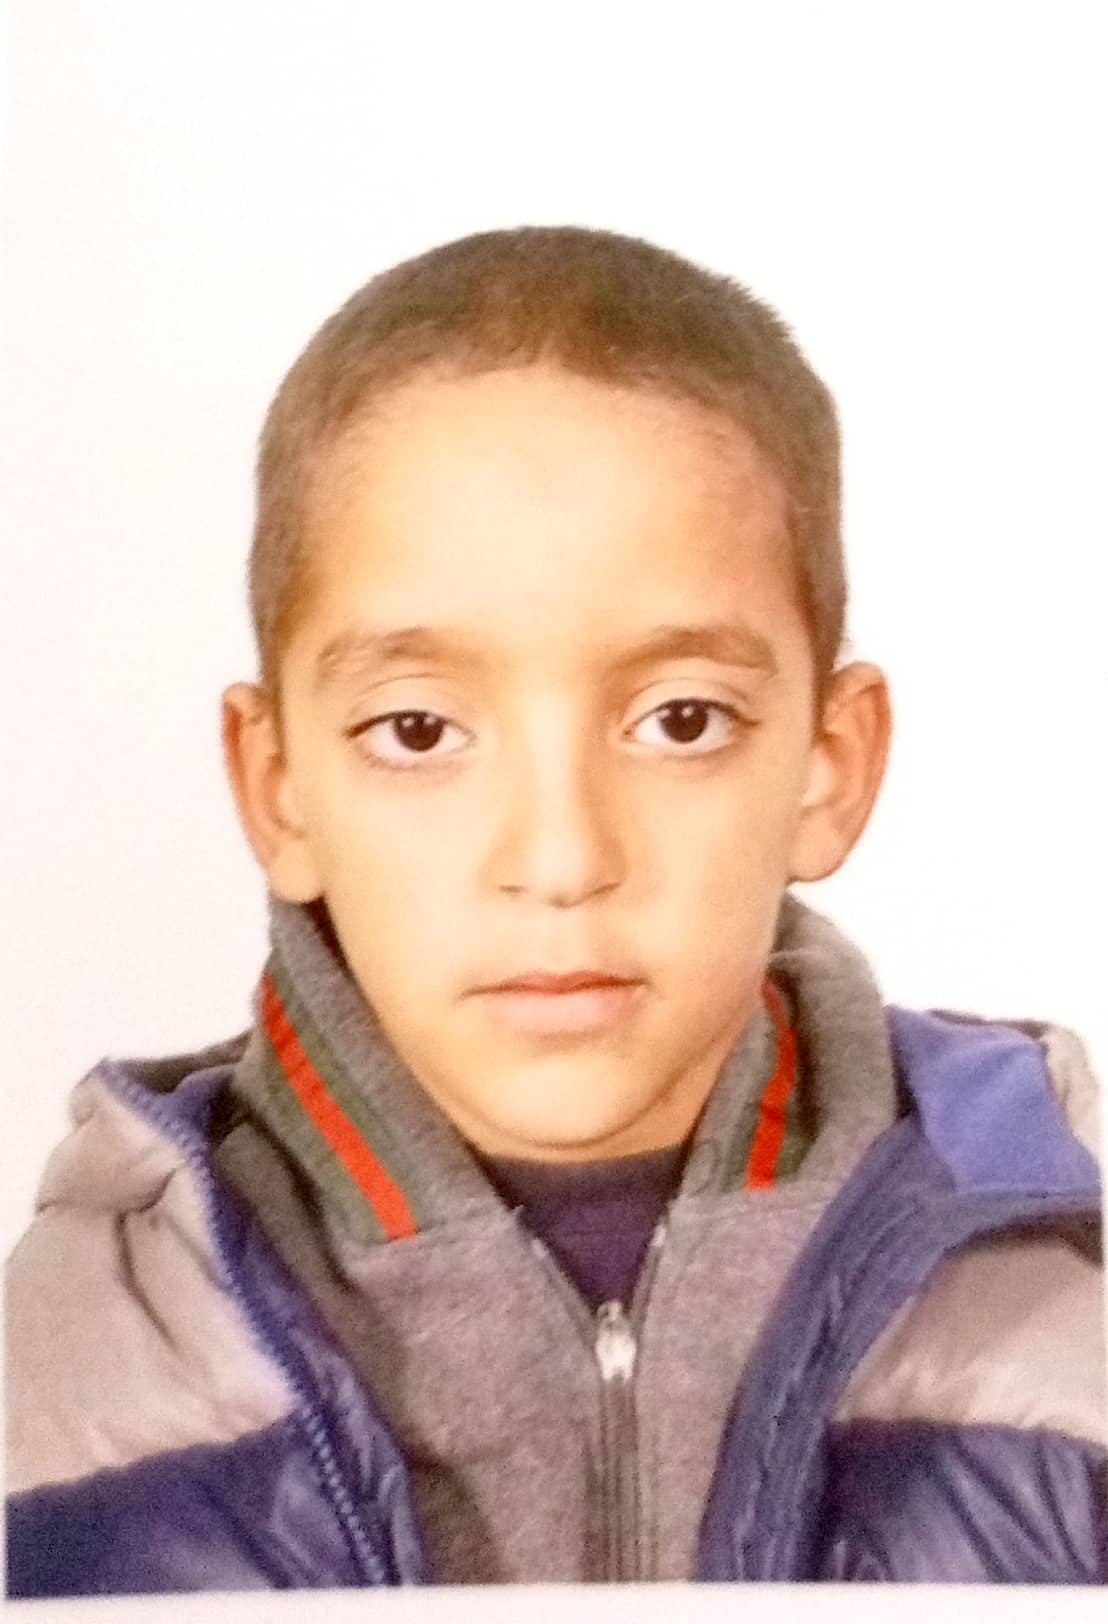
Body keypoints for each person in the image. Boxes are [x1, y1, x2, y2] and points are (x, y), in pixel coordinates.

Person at [5, 227, 1104, 1595]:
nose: (561, 856)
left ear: (830, 765)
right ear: (278, 790)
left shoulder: (1073, 1312)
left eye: (680, 719)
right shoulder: (58, 1389)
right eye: (419, 731)